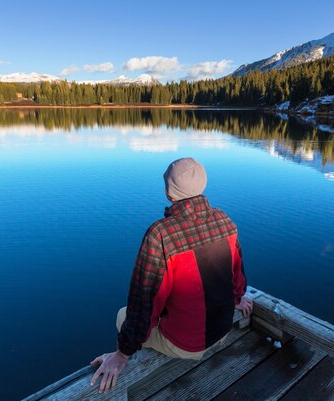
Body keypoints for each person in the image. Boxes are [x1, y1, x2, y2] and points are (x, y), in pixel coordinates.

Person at [90, 157, 252, 393]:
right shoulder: (225, 221)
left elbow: (144, 301)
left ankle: (138, 365)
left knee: (123, 315)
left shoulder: (161, 234)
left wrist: (121, 355)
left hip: (188, 345)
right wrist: (238, 299)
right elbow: (236, 274)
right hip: (222, 329)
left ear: (169, 194)